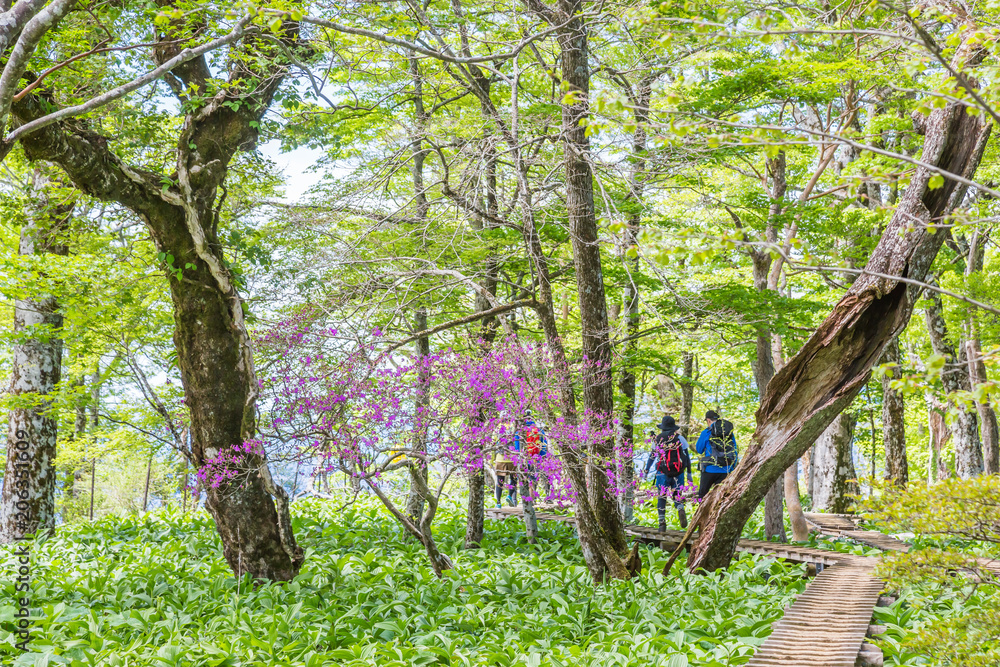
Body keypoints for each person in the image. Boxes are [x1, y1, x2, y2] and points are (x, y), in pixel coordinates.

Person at [644, 415, 692, 531]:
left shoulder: (658, 439)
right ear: (674, 428)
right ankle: (680, 507)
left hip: (662, 472)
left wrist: (646, 470)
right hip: (678, 472)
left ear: (662, 428)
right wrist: (689, 473)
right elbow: (686, 457)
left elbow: (652, 456)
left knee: (662, 497)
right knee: (676, 494)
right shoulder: (680, 438)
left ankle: (662, 523)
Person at [694, 410, 738, 499]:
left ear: (708, 420)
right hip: (725, 469)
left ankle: (703, 512)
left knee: (702, 495)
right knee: (721, 497)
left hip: (709, 469)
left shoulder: (706, 432)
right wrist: (732, 467)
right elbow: (734, 450)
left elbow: (699, 450)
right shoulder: (729, 433)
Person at [513, 410, 548, 502]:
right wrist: (543, 456)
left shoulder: (519, 430)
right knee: (533, 477)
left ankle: (525, 499)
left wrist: (518, 456)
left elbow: (516, 444)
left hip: (524, 458)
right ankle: (532, 498)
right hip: (536, 457)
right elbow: (543, 444)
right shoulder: (538, 429)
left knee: (524, 477)